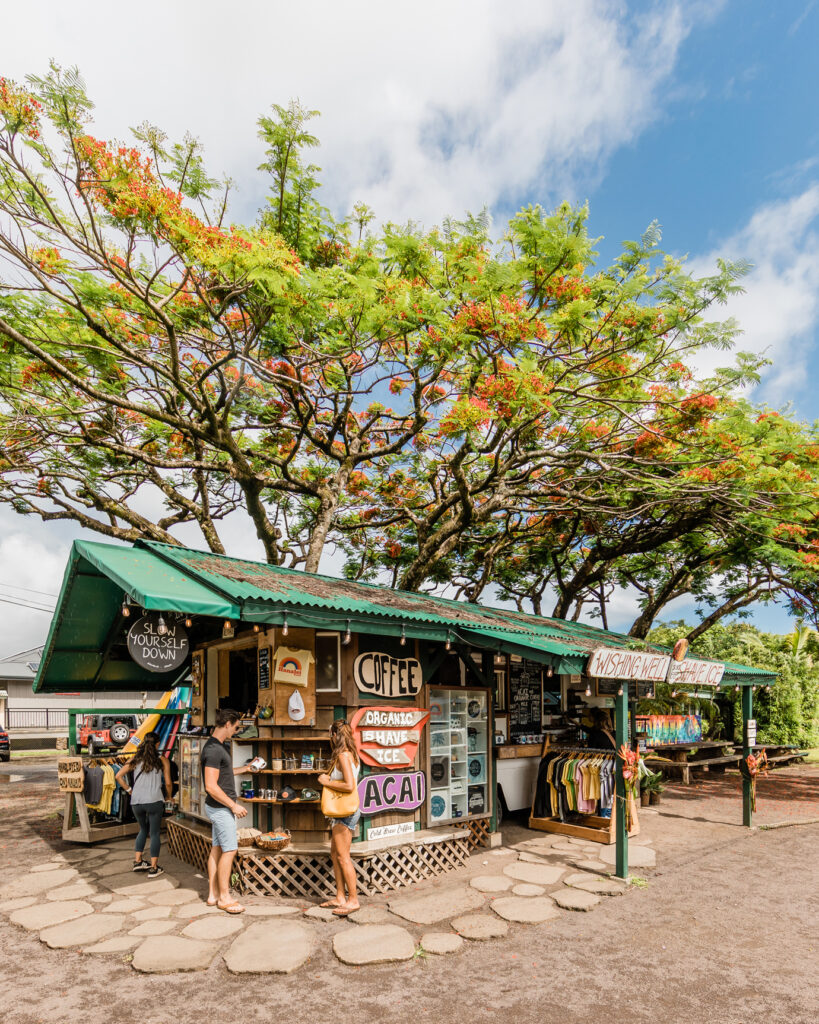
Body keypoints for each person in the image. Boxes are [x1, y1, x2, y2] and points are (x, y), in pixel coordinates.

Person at [200, 708, 255, 914]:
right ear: (228, 724)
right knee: (230, 850)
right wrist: (233, 805)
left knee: (217, 849)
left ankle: (213, 894)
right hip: (221, 809)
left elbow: (222, 773)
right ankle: (224, 897)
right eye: (236, 727)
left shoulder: (215, 746)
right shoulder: (214, 750)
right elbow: (211, 786)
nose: (237, 730)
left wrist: (244, 769)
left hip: (218, 808)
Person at [317, 718, 361, 916]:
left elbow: (350, 786)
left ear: (335, 735)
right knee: (335, 855)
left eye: (331, 735)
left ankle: (353, 900)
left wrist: (326, 781)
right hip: (343, 812)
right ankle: (340, 896)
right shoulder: (350, 753)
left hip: (345, 812)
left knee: (343, 857)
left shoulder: (343, 756)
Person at [116, 731, 172, 876]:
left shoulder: (135, 759)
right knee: (154, 833)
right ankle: (154, 868)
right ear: (158, 744)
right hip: (154, 800)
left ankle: (138, 861)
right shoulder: (162, 760)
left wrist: (129, 790)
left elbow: (118, 776)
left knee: (142, 829)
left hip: (136, 801)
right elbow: (168, 783)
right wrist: (169, 797)